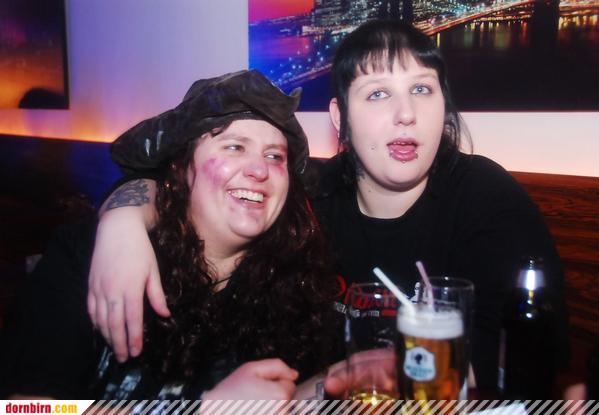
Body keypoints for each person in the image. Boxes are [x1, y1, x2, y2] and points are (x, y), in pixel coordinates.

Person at [86, 20, 569, 393]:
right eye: (377, 94)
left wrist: (401, 368)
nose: (406, 114)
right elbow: (186, 187)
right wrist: (123, 221)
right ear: (340, 117)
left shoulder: (487, 198)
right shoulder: (308, 198)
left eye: (422, 89)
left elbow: (534, 353)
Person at [0, 69, 337, 400]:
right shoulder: (92, 253)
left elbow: (282, 398)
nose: (260, 169)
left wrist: (333, 385)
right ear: (183, 167)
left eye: (274, 156)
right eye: (234, 147)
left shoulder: (293, 286)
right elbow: (25, 407)